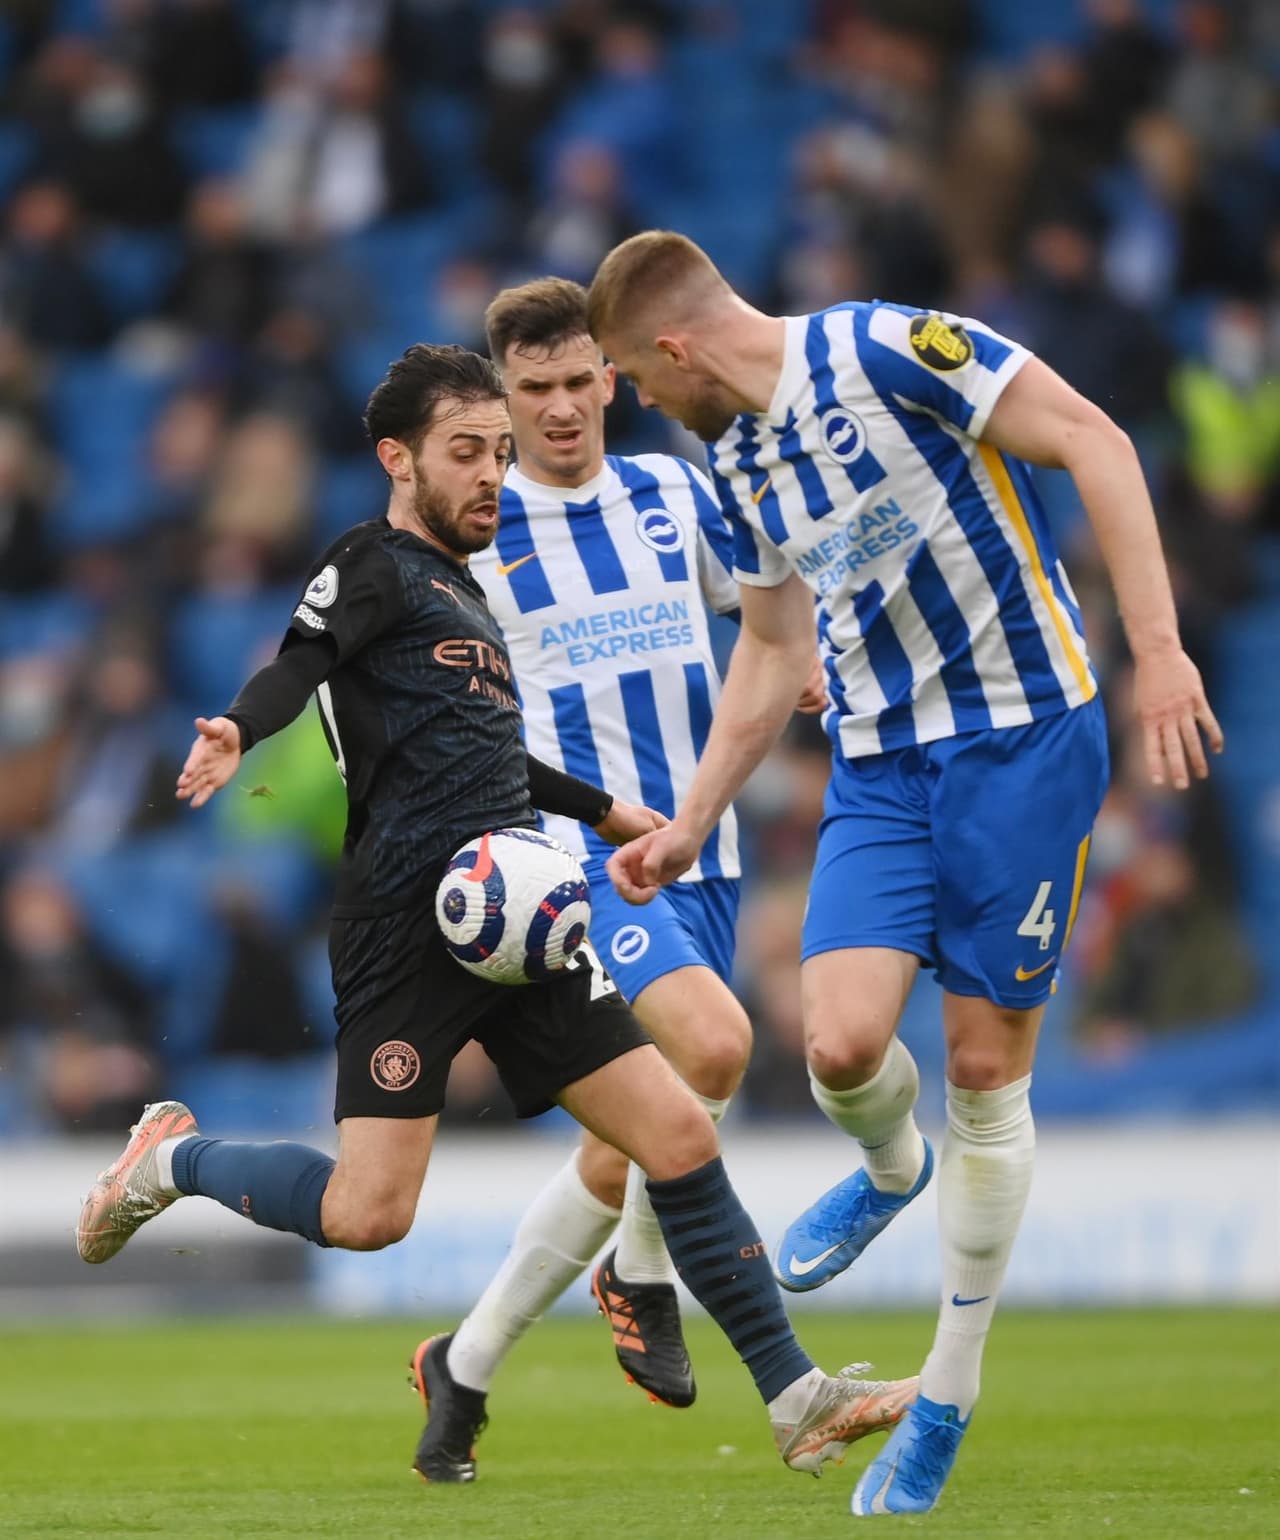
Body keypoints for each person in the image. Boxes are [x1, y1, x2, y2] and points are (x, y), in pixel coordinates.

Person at [75, 342, 916, 1486]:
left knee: (674, 1130)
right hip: (403, 928)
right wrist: (236, 724)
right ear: (396, 457)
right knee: (371, 1213)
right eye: (465, 454)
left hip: (515, 917)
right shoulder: (371, 562)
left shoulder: (470, 591)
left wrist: (614, 810)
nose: (490, 477)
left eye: (499, 455)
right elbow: (302, 657)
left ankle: (795, 1396)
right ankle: (170, 1163)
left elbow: (489, 759)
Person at [590, 232, 1223, 1516]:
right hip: (881, 763)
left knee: (984, 1068)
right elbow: (771, 651)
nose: (640, 407)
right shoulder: (736, 462)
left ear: (674, 348)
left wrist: (1155, 652)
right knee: (834, 1043)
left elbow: (1094, 440)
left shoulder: (887, 347)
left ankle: (944, 1390)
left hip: (1023, 739)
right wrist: (688, 819)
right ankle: (891, 1166)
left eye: (635, 382)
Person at [412, 277, 823, 1454]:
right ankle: (640, 1279)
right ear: (500, 395)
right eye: (529, 389)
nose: (557, 408)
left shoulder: (673, 493)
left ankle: (466, 1361)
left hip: (700, 849)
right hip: (574, 868)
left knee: (631, 1136)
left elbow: (761, 618)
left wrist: (801, 663)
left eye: (576, 380)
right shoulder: (473, 543)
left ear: (611, 374)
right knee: (717, 1048)